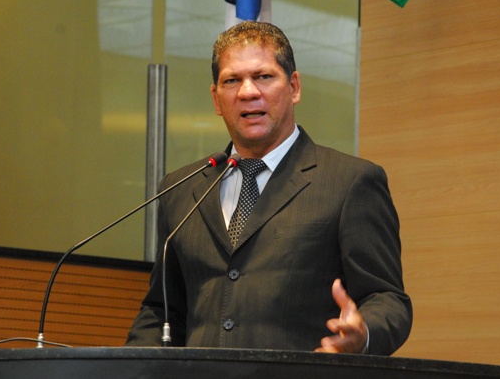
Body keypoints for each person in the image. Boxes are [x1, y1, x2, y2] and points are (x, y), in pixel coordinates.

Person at [126, 21, 412, 355]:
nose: (247, 92)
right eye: (232, 80)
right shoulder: (182, 189)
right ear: (216, 98)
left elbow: (388, 299)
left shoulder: (350, 182)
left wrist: (364, 334)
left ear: (294, 87)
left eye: (263, 76)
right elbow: (162, 311)